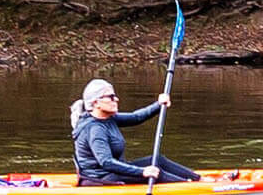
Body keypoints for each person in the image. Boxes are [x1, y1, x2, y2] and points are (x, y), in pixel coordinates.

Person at [69, 78, 201, 186]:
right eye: (111, 97)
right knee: (156, 173)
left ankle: (198, 179)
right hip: (102, 178)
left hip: (113, 172)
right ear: (96, 103)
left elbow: (136, 117)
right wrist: (142, 172)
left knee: (157, 160)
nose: (116, 99)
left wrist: (159, 105)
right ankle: (190, 188)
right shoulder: (95, 129)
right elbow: (106, 162)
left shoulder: (108, 118)